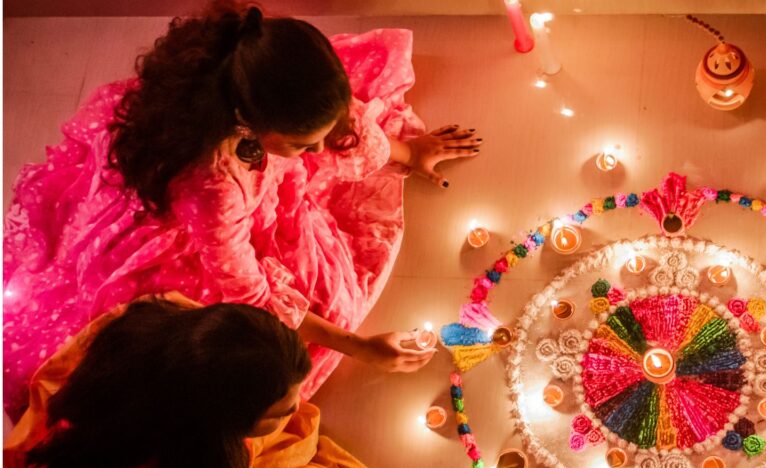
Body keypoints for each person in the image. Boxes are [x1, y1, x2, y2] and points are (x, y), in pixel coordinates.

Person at [2, 1, 482, 418]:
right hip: (192, 239)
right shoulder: (211, 186)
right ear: (249, 125)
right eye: (302, 144)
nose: (320, 153)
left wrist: (408, 154)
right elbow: (252, 297)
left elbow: (344, 128)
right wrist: (359, 347)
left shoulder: (273, 76)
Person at [4, 295, 530, 468]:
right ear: (218, 428)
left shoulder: (165, 325)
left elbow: (271, 319)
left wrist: (361, 345)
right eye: (281, 410)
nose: (300, 411)